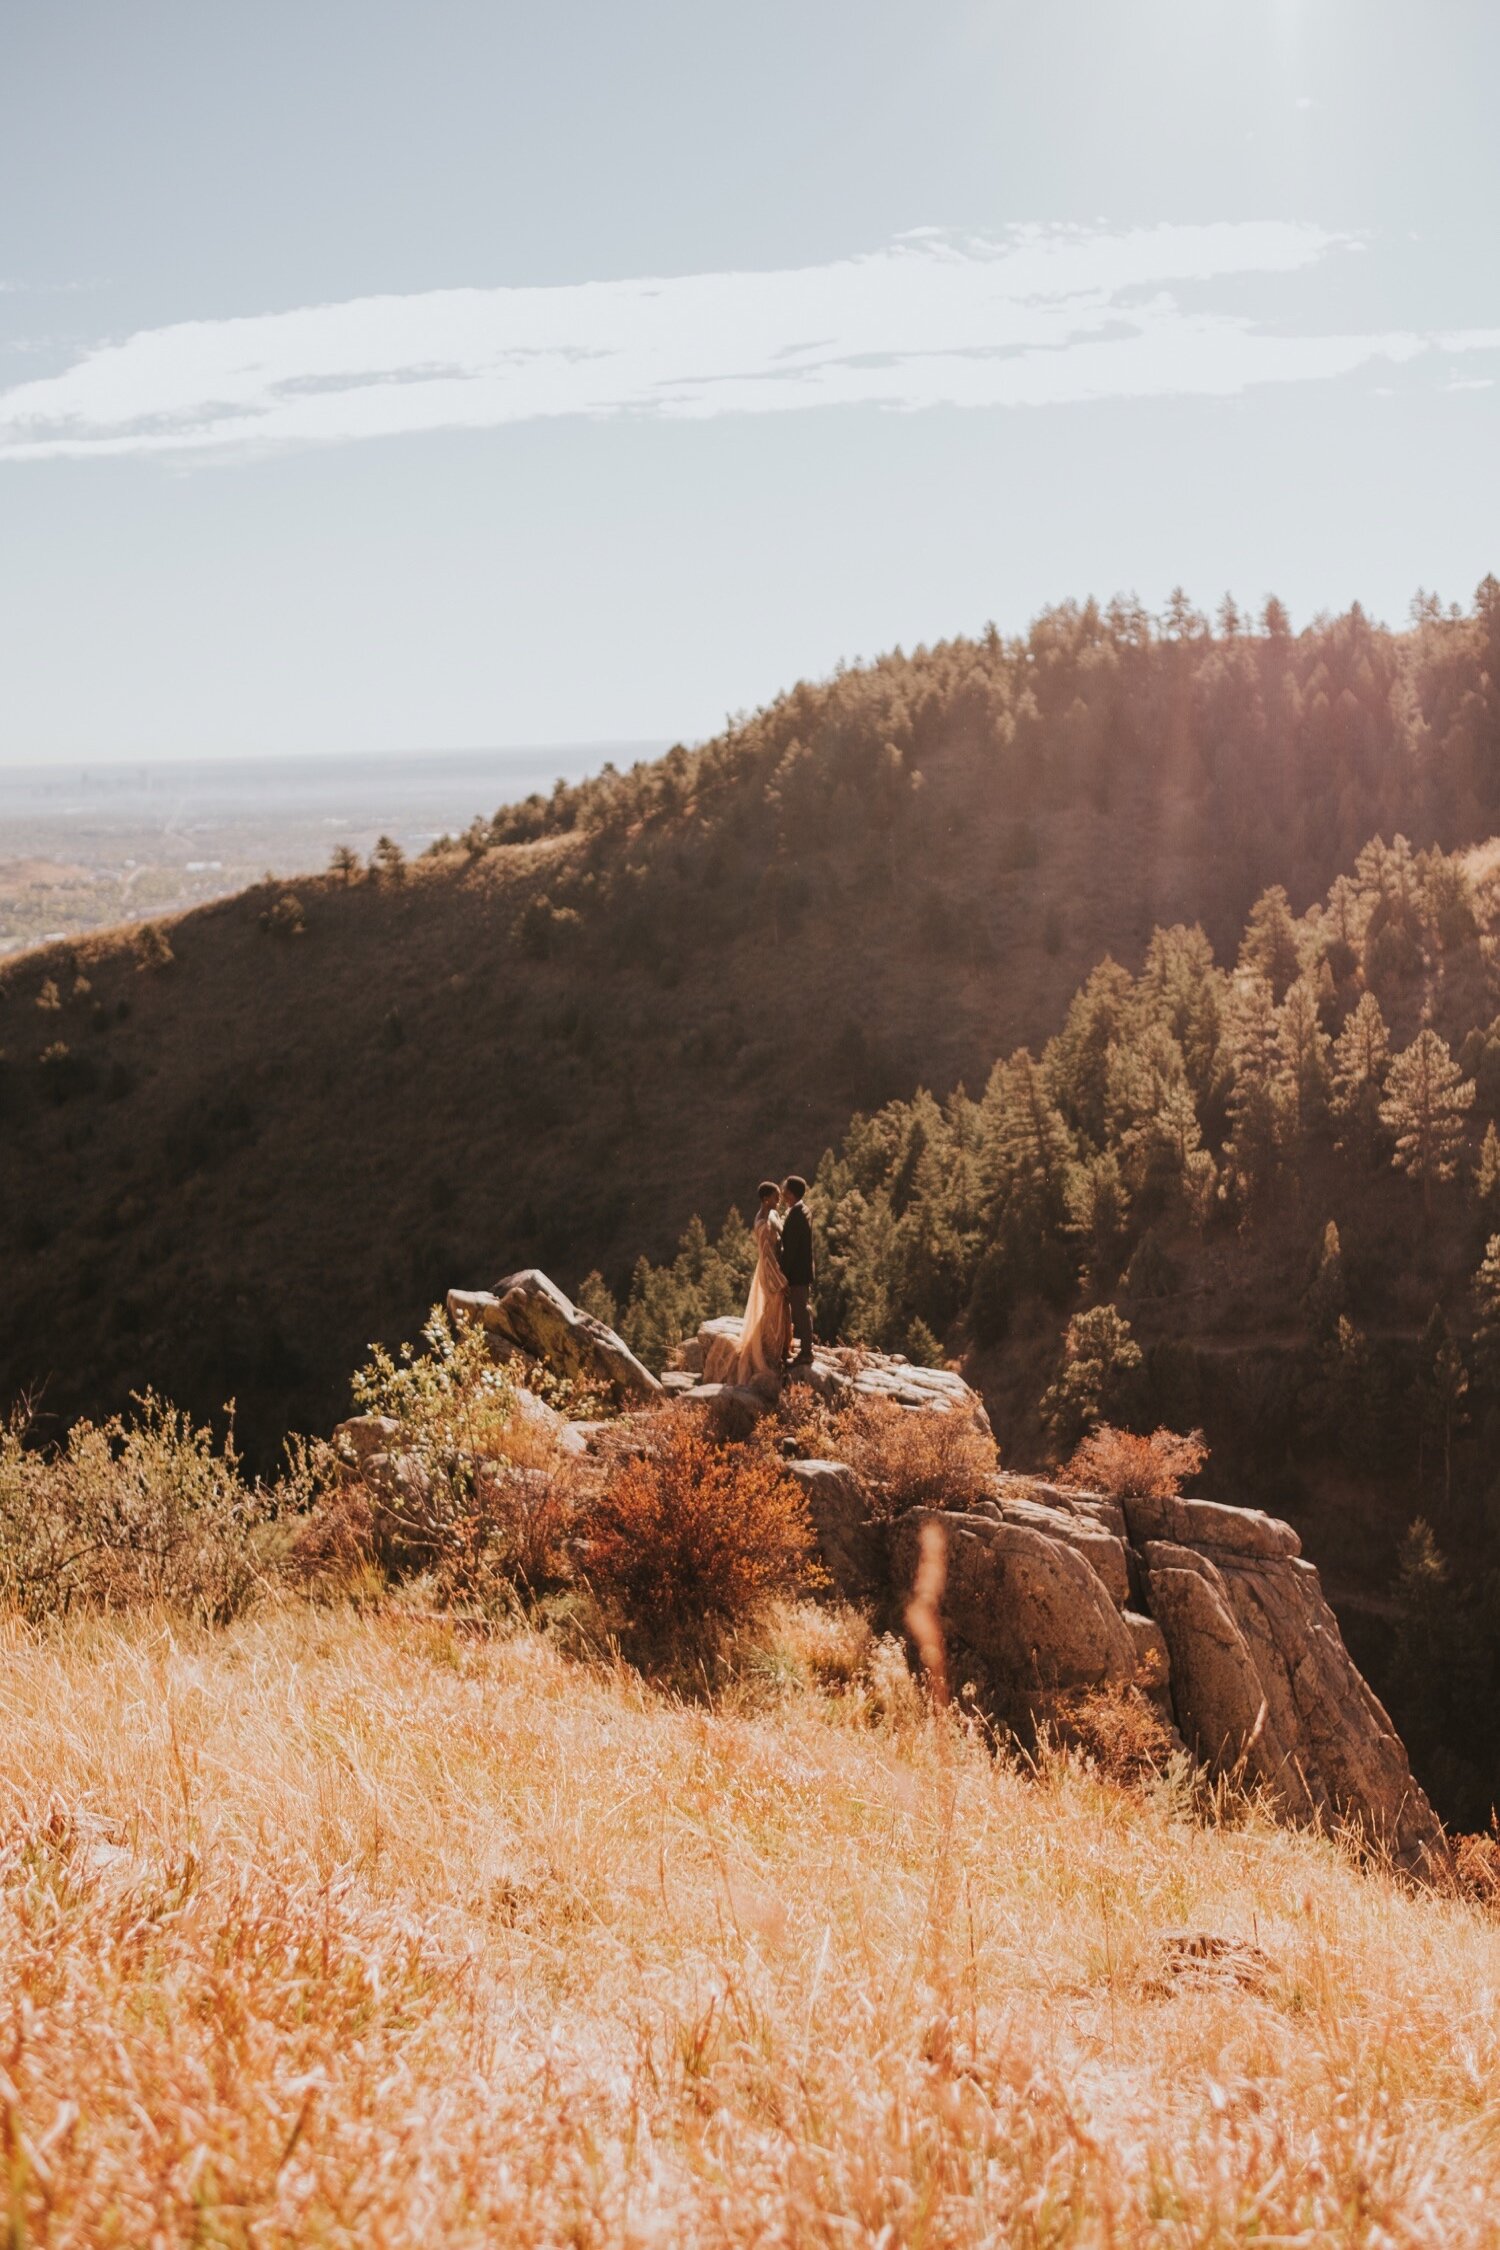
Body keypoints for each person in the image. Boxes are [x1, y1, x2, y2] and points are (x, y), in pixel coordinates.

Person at [714, 1180, 792, 1391]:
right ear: (766, 1199)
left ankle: (778, 1349)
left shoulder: (768, 1215)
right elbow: (767, 1256)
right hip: (769, 1271)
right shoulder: (764, 1225)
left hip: (770, 1268)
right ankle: (771, 1353)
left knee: (776, 1310)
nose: (779, 1201)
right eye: (776, 1198)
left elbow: (778, 1220)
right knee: (773, 1310)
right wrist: (780, 1280)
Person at [778, 1174, 815, 1368]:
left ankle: (807, 1353)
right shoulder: (803, 1210)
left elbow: (790, 1250)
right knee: (802, 1310)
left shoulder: (796, 1216)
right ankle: (806, 1350)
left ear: (790, 1193)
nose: (782, 1192)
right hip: (803, 1270)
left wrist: (781, 1275)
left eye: (784, 1189)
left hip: (797, 1274)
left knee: (801, 1311)